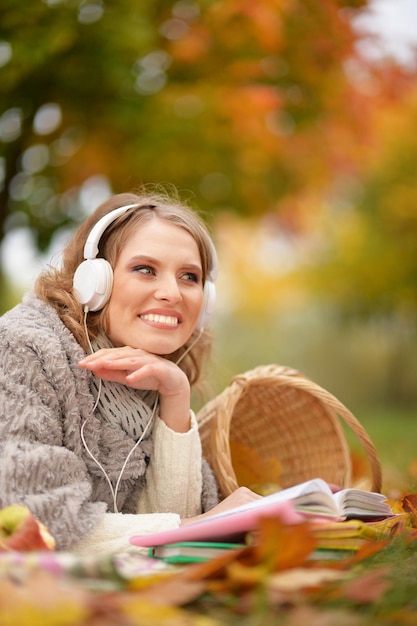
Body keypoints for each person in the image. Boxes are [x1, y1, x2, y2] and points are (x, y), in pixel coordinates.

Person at [0, 188, 260, 555]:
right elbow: (29, 520)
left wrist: (175, 397)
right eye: (145, 269)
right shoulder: (24, 347)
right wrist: (197, 527)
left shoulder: (159, 371)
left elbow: (174, 538)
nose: (172, 292)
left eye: (189, 276)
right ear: (94, 281)